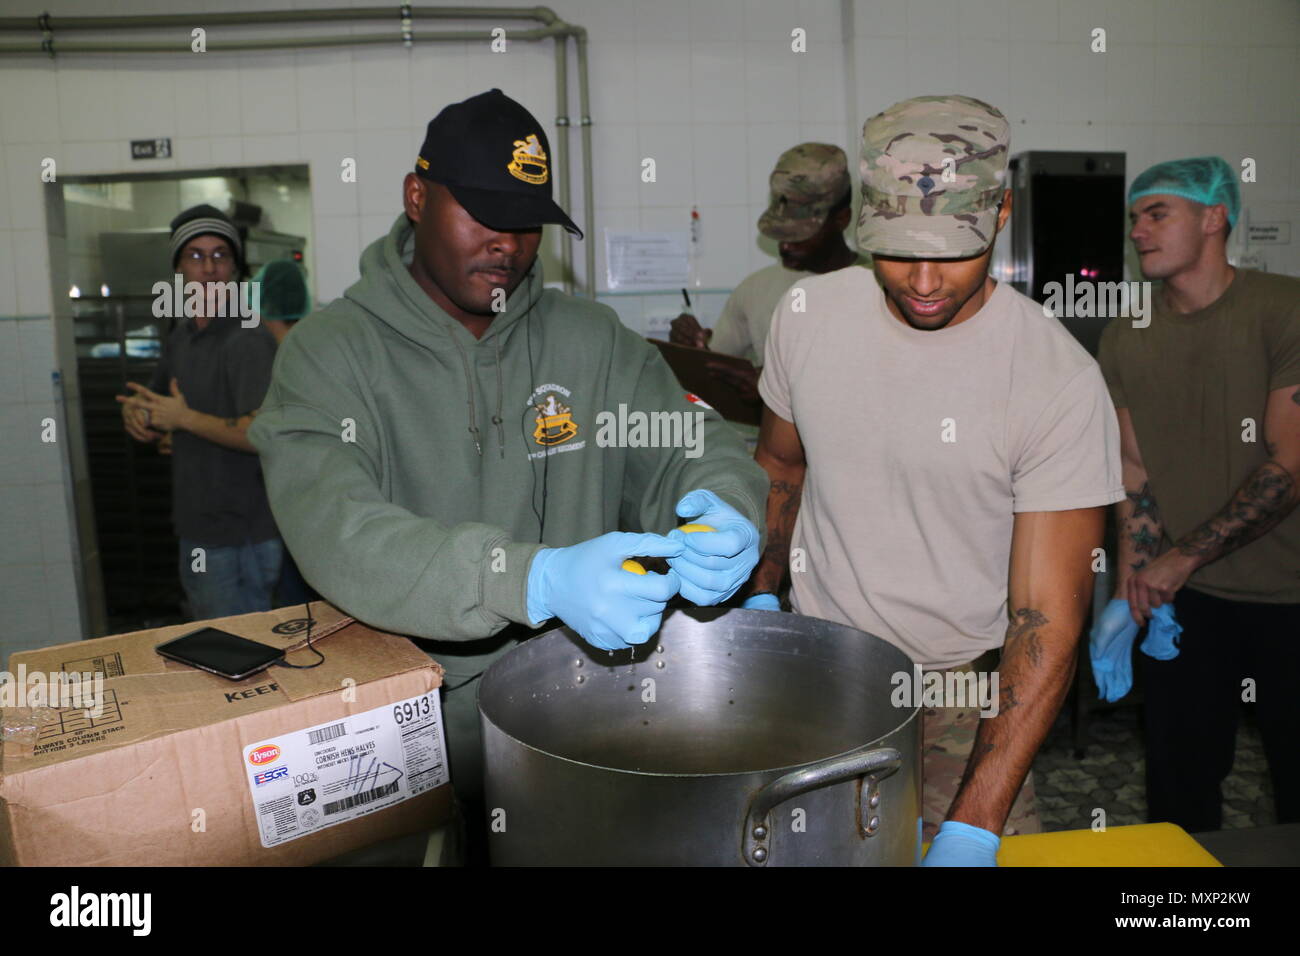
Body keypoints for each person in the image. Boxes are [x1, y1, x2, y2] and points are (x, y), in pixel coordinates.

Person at [248, 89, 767, 862]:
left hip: (585, 726)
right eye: (483, 213)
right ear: (416, 197)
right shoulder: (331, 355)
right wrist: (533, 580)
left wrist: (726, 506)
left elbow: (693, 440)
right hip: (410, 751)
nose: (508, 245)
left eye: (527, 223)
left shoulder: (589, 340)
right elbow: (340, 528)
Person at [745, 95, 1124, 866]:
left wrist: (975, 824)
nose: (921, 280)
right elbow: (782, 464)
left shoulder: (1055, 380)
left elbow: (1043, 620)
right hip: (820, 678)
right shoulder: (807, 315)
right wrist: (762, 585)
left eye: (951, 252)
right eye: (895, 249)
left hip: (964, 690)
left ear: (1001, 213)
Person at [1095, 156, 1300, 832]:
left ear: (1215, 218)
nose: (1139, 231)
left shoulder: (1284, 310)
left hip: (1290, 598)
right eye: (1134, 218)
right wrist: (1132, 583)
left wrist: (1177, 558)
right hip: (1189, 607)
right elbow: (1135, 471)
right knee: (1179, 786)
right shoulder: (1126, 336)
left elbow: (1290, 464)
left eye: (1158, 213)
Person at [118, 204, 281, 621]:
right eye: (195, 256)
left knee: (243, 652)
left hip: (243, 535)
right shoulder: (184, 335)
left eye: (220, 255)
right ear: (178, 271)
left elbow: (259, 432)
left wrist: (182, 420)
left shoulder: (247, 338)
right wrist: (141, 415)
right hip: (199, 525)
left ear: (235, 268)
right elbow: (160, 405)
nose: (209, 268)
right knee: (216, 647)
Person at [669, 143, 868, 407]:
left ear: (842, 219)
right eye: (780, 233)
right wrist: (691, 353)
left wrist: (773, 395)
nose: (785, 246)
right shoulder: (755, 291)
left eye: (799, 234)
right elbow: (711, 386)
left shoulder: (880, 289)